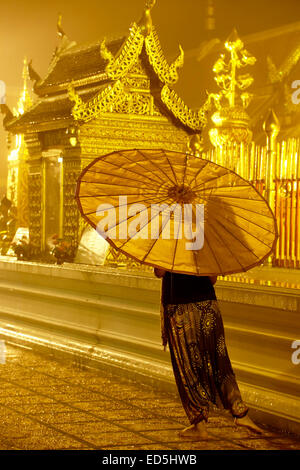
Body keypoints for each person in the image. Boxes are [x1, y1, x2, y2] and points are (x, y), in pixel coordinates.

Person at [154, 268, 263, 439]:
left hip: (179, 308)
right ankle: (240, 412)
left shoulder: (167, 241)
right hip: (208, 306)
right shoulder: (205, 240)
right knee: (220, 362)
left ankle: (200, 425)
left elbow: (159, 272)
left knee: (188, 368)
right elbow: (212, 278)